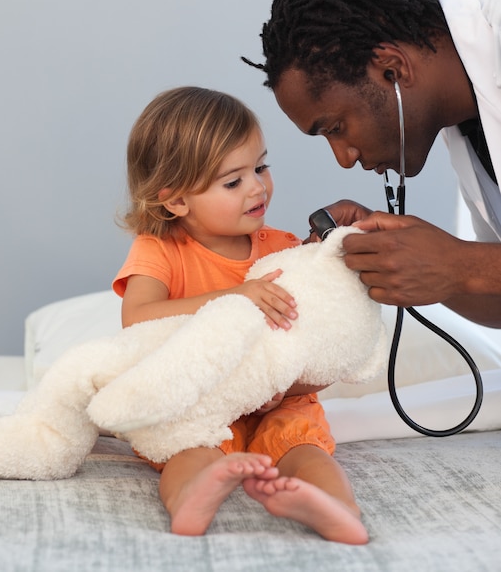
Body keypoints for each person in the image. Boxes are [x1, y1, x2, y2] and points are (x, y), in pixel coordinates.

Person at [112, 86, 369, 544]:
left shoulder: (286, 248)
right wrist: (237, 297)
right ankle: (192, 496)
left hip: (280, 398)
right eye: (233, 182)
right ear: (175, 201)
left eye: (261, 167)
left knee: (307, 452)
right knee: (188, 452)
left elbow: (313, 338)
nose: (257, 187)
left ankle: (336, 508)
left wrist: (291, 384)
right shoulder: (159, 250)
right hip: (200, 402)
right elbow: (139, 319)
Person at [243, 0, 501, 328]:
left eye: (336, 128)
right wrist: (399, 261)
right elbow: (496, 302)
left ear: (392, 69)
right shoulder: (464, 122)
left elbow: (479, 271)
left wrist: (459, 264)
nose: (344, 158)